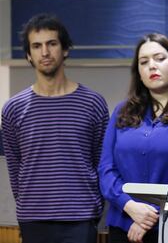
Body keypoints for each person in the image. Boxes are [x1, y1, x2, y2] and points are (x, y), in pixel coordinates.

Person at [1, 14, 109, 243]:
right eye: (37, 46)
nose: (45, 52)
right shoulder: (13, 109)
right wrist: (27, 208)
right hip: (33, 220)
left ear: (65, 49)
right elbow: (15, 169)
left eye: (52, 43)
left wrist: (94, 207)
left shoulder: (93, 103)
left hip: (81, 219)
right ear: (29, 55)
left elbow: (101, 162)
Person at [98, 33, 168, 243]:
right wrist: (129, 205)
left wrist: (150, 215)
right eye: (144, 62)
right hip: (122, 221)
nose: (152, 66)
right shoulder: (121, 112)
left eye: (160, 58)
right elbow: (106, 169)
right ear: (138, 72)